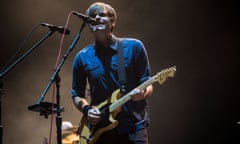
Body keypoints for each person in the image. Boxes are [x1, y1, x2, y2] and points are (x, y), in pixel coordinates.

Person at [71, 2, 153, 144]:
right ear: (89, 24)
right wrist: (87, 110)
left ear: (113, 21)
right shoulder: (82, 57)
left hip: (133, 128)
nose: (96, 18)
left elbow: (148, 84)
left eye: (101, 15)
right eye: (92, 16)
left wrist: (143, 93)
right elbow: (77, 94)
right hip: (101, 130)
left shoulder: (133, 47)